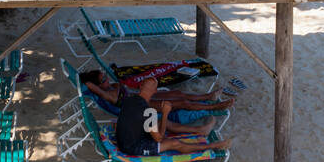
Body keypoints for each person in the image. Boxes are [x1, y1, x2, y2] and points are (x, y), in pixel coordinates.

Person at [115, 79, 231, 156]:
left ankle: (200, 130)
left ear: (140, 86)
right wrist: (165, 113)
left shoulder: (129, 99)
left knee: (160, 122)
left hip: (123, 140)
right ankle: (214, 146)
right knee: (174, 143)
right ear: (155, 91)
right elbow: (159, 139)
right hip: (132, 148)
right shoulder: (149, 111)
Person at [80, 67, 234, 115]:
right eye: (103, 80)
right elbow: (89, 84)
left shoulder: (109, 87)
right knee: (181, 103)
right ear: (98, 86)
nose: (107, 79)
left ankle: (208, 96)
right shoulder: (105, 93)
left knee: (177, 94)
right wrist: (86, 80)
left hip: (138, 97)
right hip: (138, 106)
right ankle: (213, 107)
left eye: (105, 76)